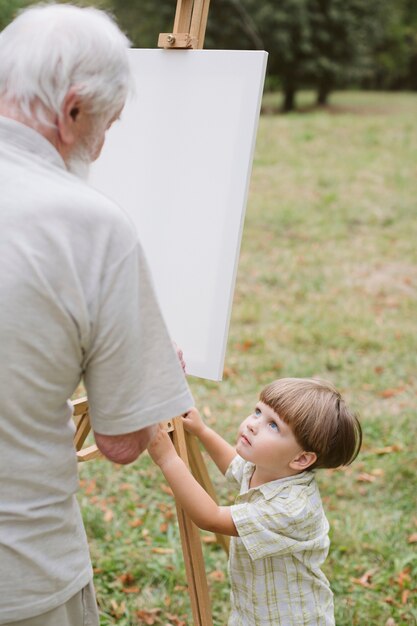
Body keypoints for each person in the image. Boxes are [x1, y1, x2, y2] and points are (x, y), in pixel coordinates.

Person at [0, 4, 193, 625]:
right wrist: (143, 377)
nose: (103, 147)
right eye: (107, 124)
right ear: (73, 109)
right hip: (23, 575)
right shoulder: (92, 227)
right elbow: (118, 442)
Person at [148, 377, 362, 625]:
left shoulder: (291, 508)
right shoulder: (267, 467)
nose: (253, 425)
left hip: (290, 618)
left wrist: (168, 460)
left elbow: (211, 518)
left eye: (273, 426)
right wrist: (202, 431)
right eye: (258, 412)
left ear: (302, 459)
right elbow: (234, 466)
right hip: (254, 609)